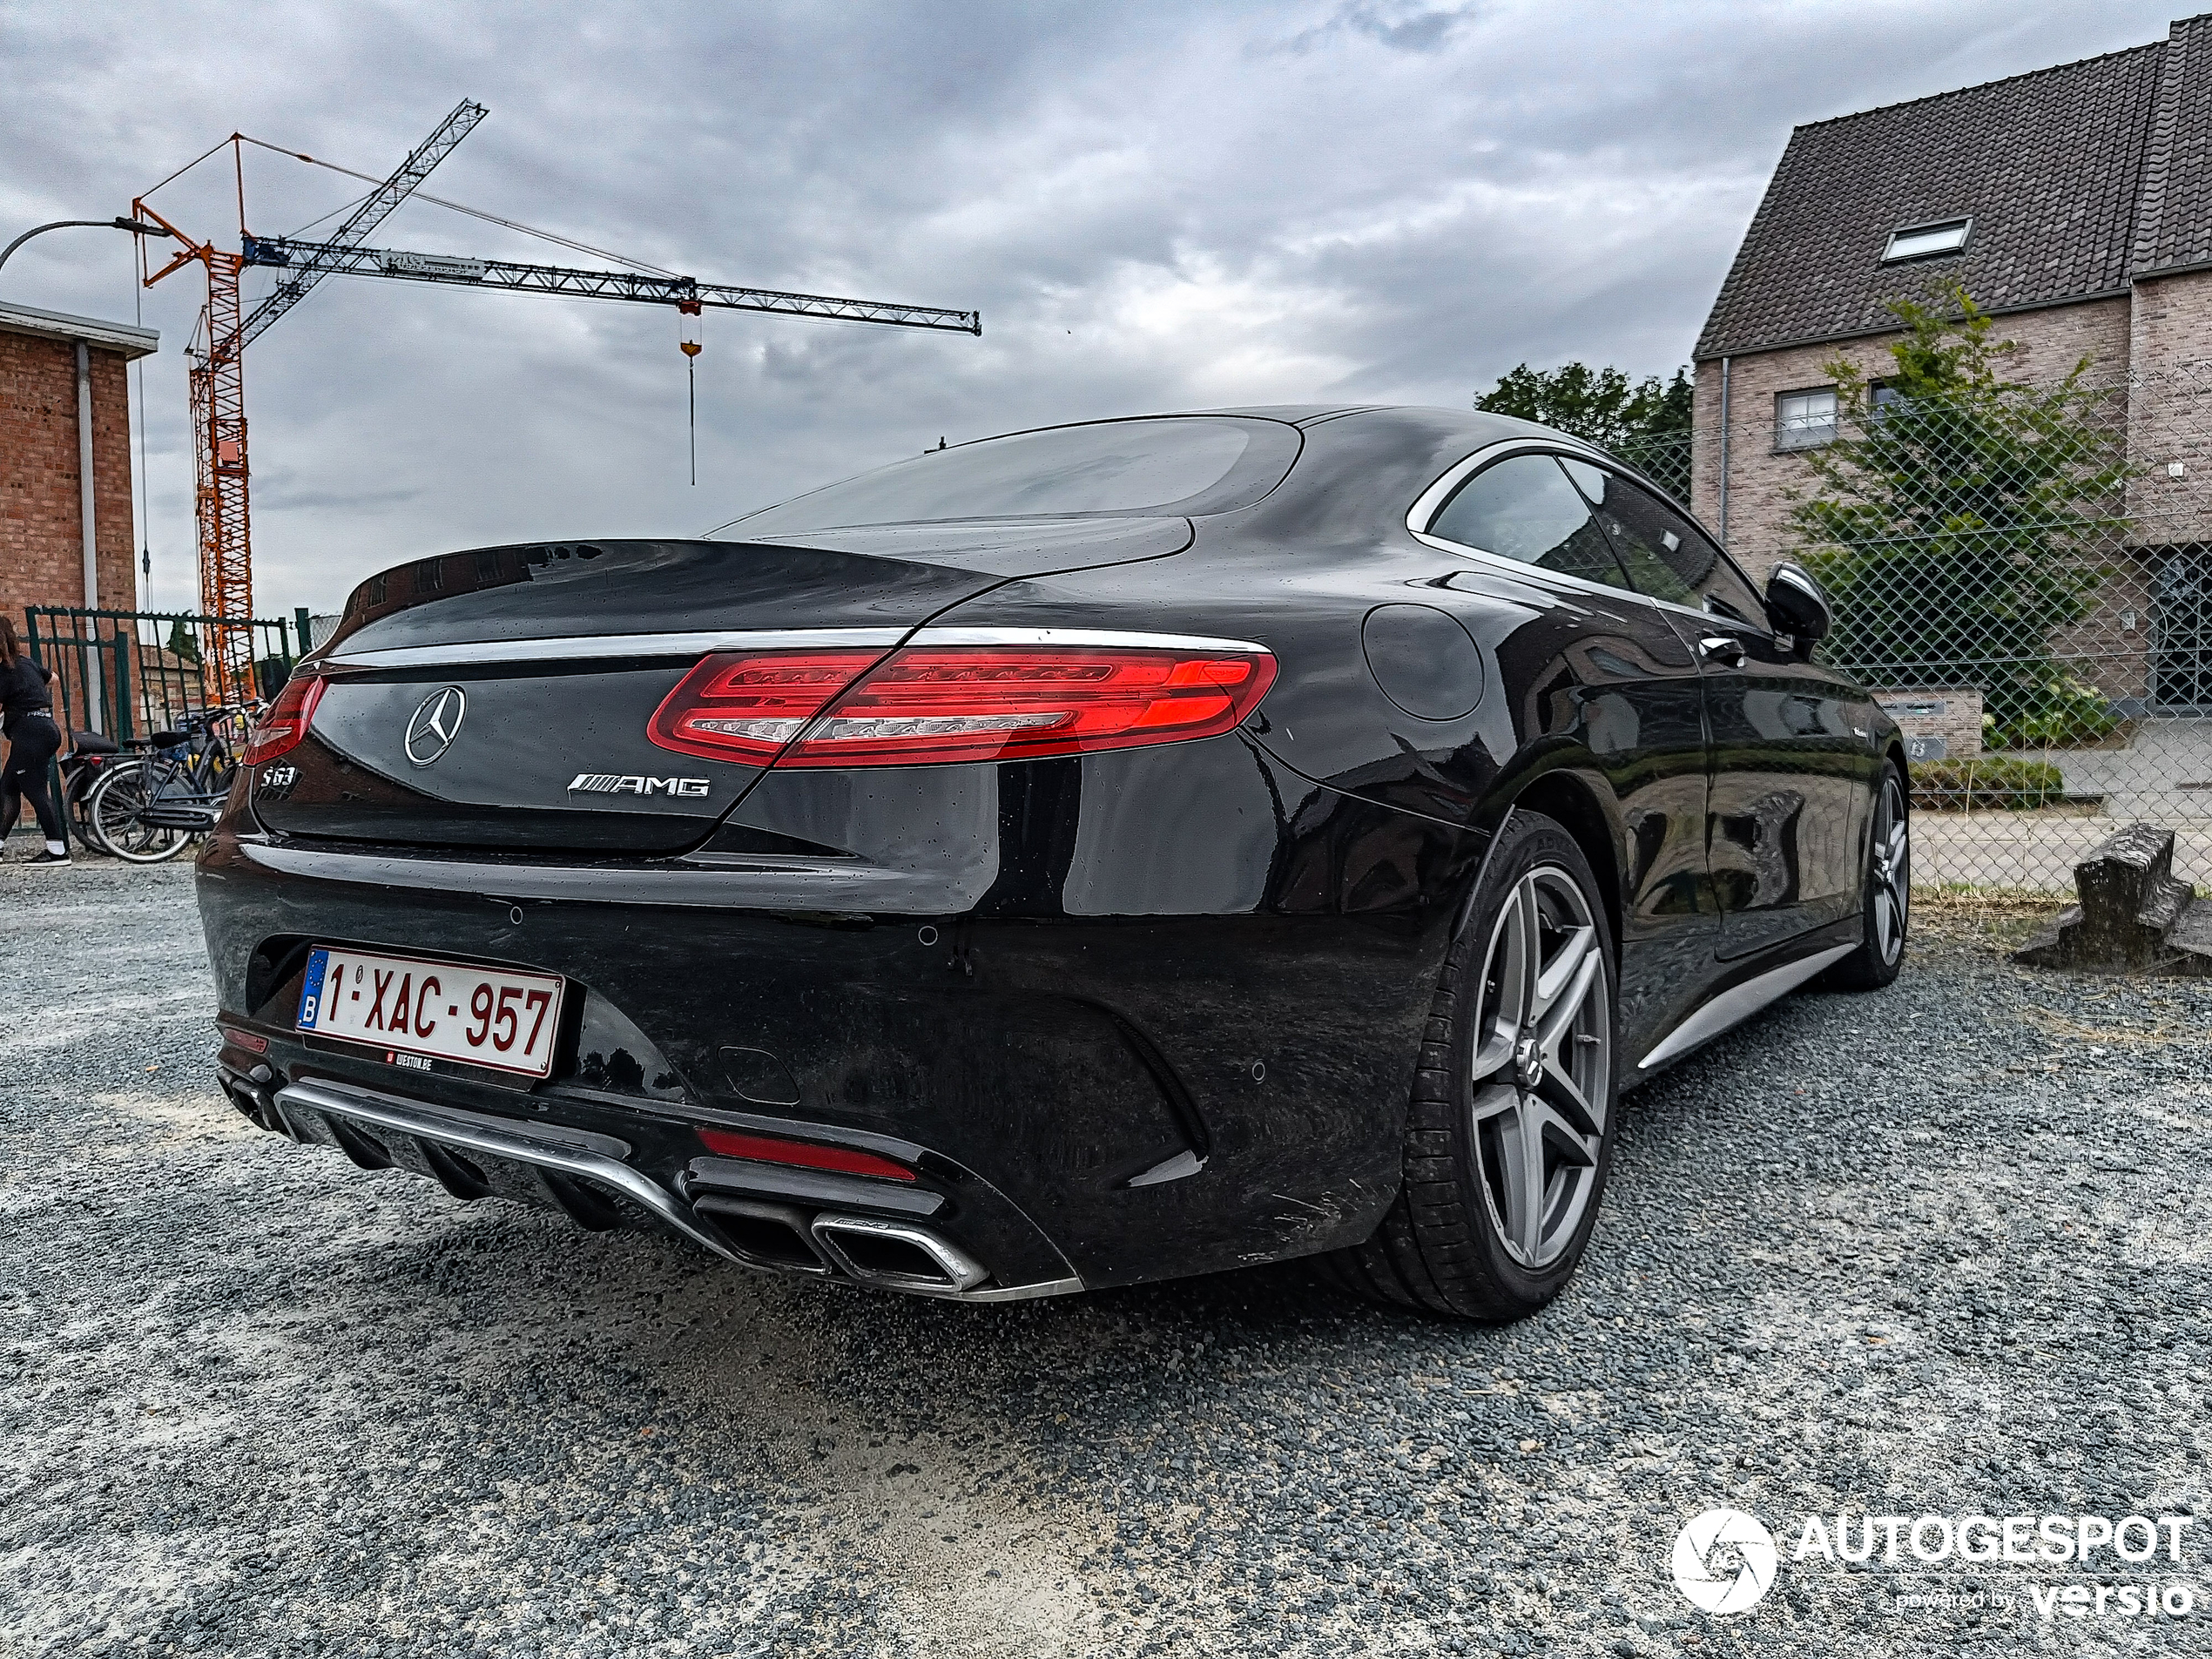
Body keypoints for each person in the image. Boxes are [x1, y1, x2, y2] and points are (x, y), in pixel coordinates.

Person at [0, 617, 70, 865]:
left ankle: (57, 851)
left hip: (30, 733)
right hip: (45, 727)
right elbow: (54, 679)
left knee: (35, 791)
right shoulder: (26, 663)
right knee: (8, 786)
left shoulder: (3, 671)